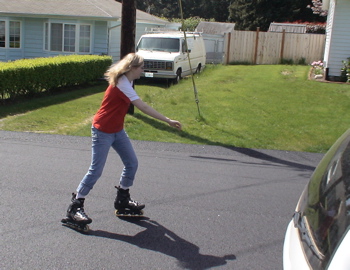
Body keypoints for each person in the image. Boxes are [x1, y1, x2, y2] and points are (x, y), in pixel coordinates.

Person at [63, 53, 182, 225]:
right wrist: (168, 121)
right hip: (102, 130)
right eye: (141, 68)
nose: (143, 71)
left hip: (117, 130)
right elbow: (143, 106)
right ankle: (75, 206)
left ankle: (123, 199)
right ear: (132, 68)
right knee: (96, 170)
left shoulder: (129, 80)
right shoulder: (122, 83)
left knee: (132, 163)